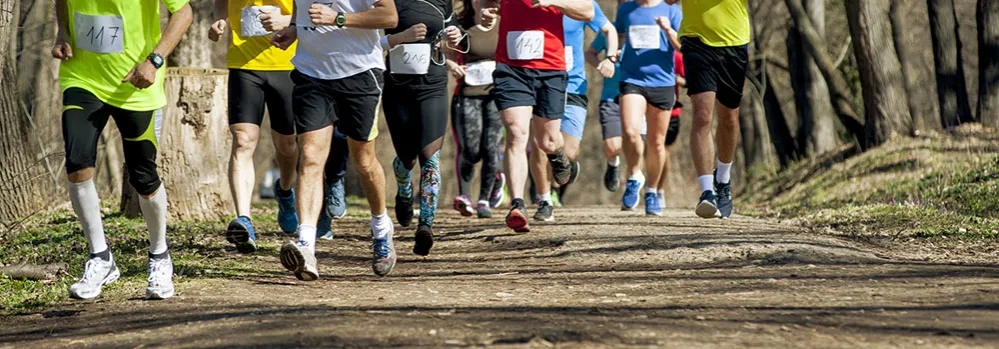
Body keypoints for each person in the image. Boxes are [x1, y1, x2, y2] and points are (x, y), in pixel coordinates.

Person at [53, 0, 193, 300]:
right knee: (77, 163)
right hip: (83, 78)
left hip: (136, 84)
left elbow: (183, 12)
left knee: (143, 177)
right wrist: (62, 31)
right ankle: (100, 257)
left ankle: (159, 255)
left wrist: (155, 60)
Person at [271, 0, 398, 281]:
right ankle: (306, 245)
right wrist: (294, 28)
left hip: (360, 73)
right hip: (311, 74)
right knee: (310, 157)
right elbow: (300, 8)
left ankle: (381, 227)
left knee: (364, 161)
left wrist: (338, 18)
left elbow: (389, 16)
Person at [478, 0, 594, 233]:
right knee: (516, 133)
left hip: (550, 69)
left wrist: (554, 2)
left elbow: (588, 12)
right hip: (511, 68)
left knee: (547, 141)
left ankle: (557, 155)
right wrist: (486, 12)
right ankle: (518, 205)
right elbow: (487, 2)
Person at [208, 0, 299, 253]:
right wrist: (220, 19)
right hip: (243, 64)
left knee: (287, 144)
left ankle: (285, 190)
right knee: (243, 140)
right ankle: (244, 219)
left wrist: (288, 21)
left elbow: (312, 9)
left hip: (288, 64)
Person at [381, 0, 465, 256]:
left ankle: (426, 225)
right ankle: (404, 189)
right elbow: (369, 42)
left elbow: (455, 31)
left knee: (429, 157)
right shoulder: (388, 2)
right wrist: (400, 37)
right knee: (406, 158)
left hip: (432, 85)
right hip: (397, 88)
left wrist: (456, 35)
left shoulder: (441, 2)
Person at [528, 0, 617, 222]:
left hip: (573, 86)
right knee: (538, 144)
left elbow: (609, 29)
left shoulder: (580, 3)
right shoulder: (534, 4)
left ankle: (565, 165)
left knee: (567, 152)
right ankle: (544, 199)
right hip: (539, 82)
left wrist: (610, 58)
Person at [675, 0, 749, 219]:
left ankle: (723, 180)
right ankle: (707, 191)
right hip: (696, 41)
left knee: (729, 118)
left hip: (734, 41)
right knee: (702, 115)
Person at [614, 0, 681, 215]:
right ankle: (634, 175)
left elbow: (682, 46)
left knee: (657, 143)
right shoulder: (626, 9)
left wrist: (668, 30)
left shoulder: (671, 9)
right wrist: (616, 52)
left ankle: (651, 191)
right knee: (630, 130)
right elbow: (618, 36)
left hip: (662, 82)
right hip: (632, 79)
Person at [447, 0, 506, 219]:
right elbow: (444, 48)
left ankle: (483, 199)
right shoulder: (460, 23)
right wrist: (451, 64)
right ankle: (465, 196)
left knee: (491, 148)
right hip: (467, 93)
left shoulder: (505, 21)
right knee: (470, 150)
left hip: (496, 94)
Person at [586, 29, 624, 194]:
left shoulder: (643, 27)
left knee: (639, 144)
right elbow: (590, 54)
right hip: (610, 97)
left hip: (641, 94)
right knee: (612, 146)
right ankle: (613, 164)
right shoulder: (609, 32)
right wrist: (602, 65)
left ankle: (635, 182)